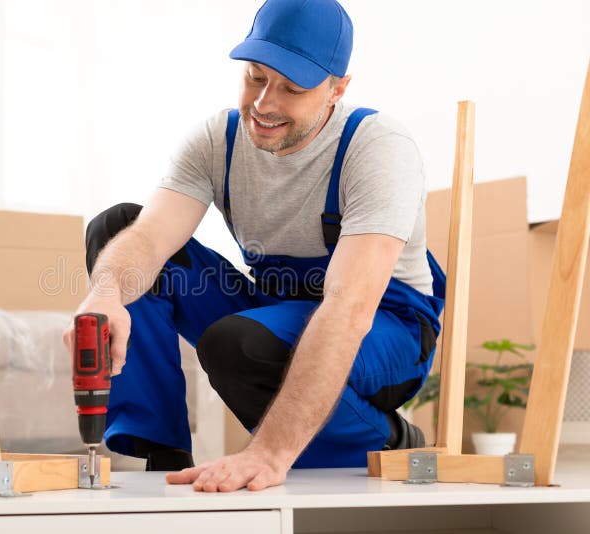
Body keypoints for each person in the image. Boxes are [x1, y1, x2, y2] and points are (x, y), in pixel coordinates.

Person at [62, 0, 445, 492]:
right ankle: (163, 452)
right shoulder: (217, 140)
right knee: (116, 228)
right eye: (256, 77)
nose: (265, 104)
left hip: (386, 325)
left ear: (337, 88)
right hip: (279, 307)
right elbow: (150, 237)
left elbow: (349, 307)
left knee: (237, 346)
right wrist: (105, 293)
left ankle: (386, 441)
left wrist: (269, 450)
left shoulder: (378, 148)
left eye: (292, 88)